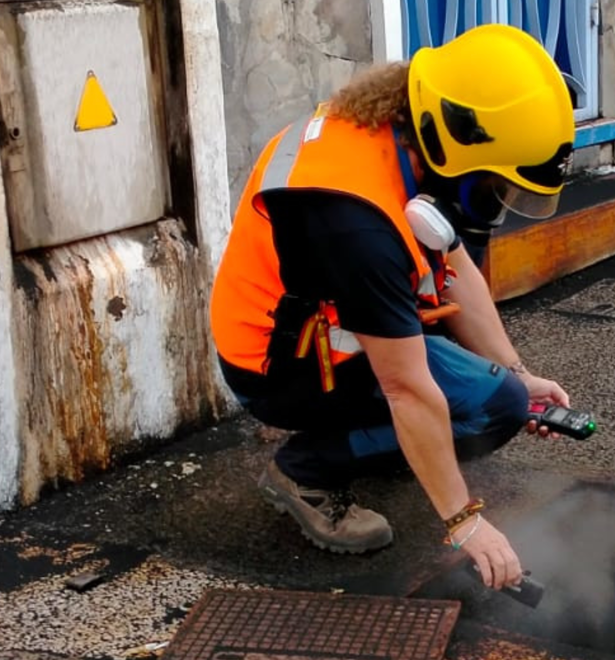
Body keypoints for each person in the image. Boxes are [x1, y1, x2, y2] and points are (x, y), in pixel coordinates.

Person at [208, 24, 576, 591]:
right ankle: (304, 472)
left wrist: (521, 374)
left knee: (504, 392)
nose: (497, 204)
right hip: (277, 369)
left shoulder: (399, 133)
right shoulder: (355, 221)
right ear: (455, 142)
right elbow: (407, 387)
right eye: (492, 188)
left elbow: (458, 273)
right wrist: (464, 522)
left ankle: (383, 445)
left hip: (315, 330)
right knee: (490, 410)